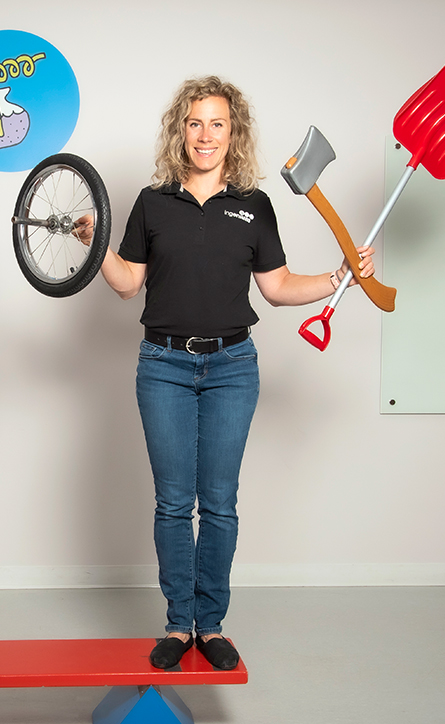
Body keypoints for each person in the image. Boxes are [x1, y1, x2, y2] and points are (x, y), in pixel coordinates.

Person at [74, 76, 375, 671]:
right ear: (179, 132)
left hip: (233, 366)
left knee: (219, 503)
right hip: (162, 366)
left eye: (216, 123)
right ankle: (176, 625)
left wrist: (341, 277)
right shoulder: (153, 201)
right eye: (194, 123)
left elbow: (280, 287)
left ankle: (209, 626)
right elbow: (128, 283)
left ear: (232, 132)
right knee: (171, 503)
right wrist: (96, 246)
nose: (204, 135)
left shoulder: (255, 205)